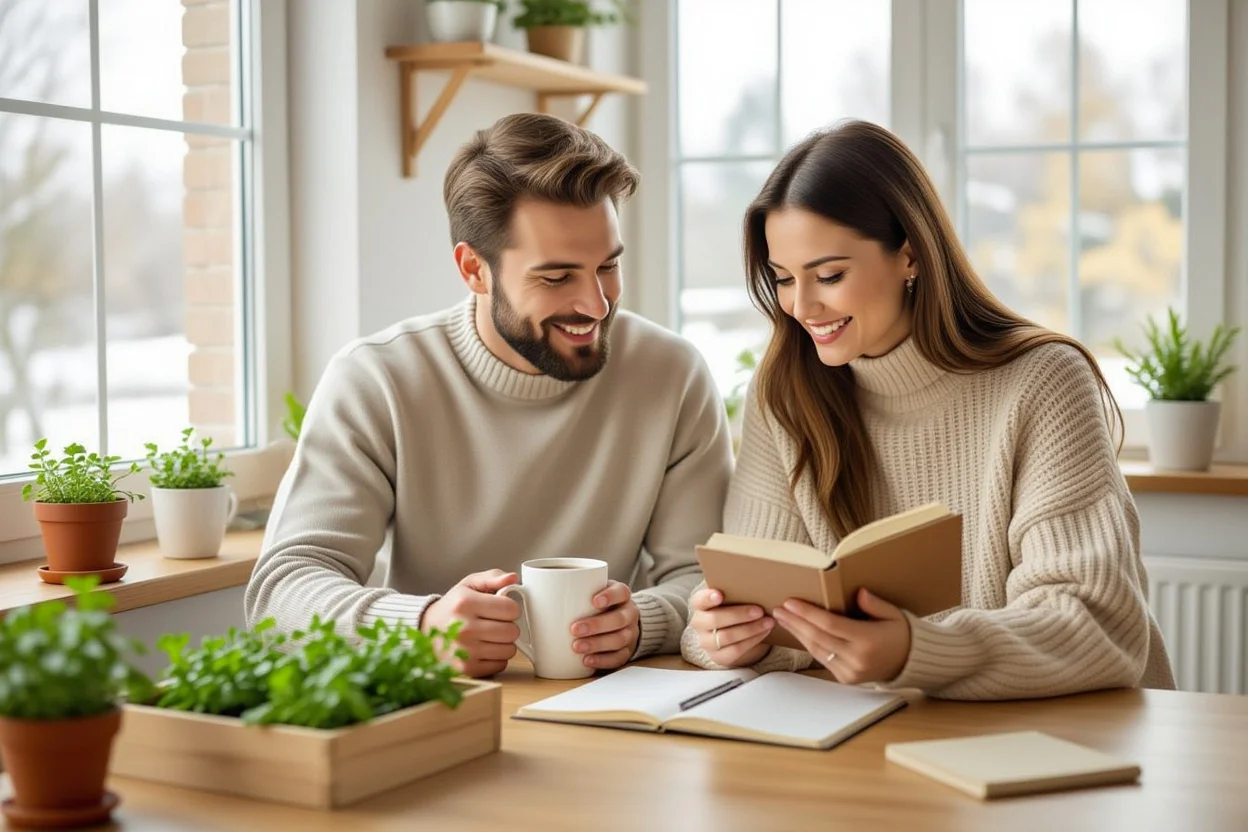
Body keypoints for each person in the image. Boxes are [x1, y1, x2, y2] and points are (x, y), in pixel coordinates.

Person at [682, 120, 1176, 699]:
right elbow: (767, 607)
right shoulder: (786, 393)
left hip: (1083, 731)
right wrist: (728, 634)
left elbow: (1095, 625)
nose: (801, 306)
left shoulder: (1042, 381)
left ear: (910, 256)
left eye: (830, 275)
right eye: (784, 279)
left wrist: (916, 650)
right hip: (902, 730)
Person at [247, 113, 732, 678]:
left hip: (606, 705)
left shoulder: (670, 375)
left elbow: (706, 578)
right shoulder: (377, 381)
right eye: (557, 278)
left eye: (608, 266)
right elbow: (280, 592)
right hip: (439, 709)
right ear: (474, 269)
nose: (597, 305)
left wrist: (642, 622)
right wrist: (422, 628)